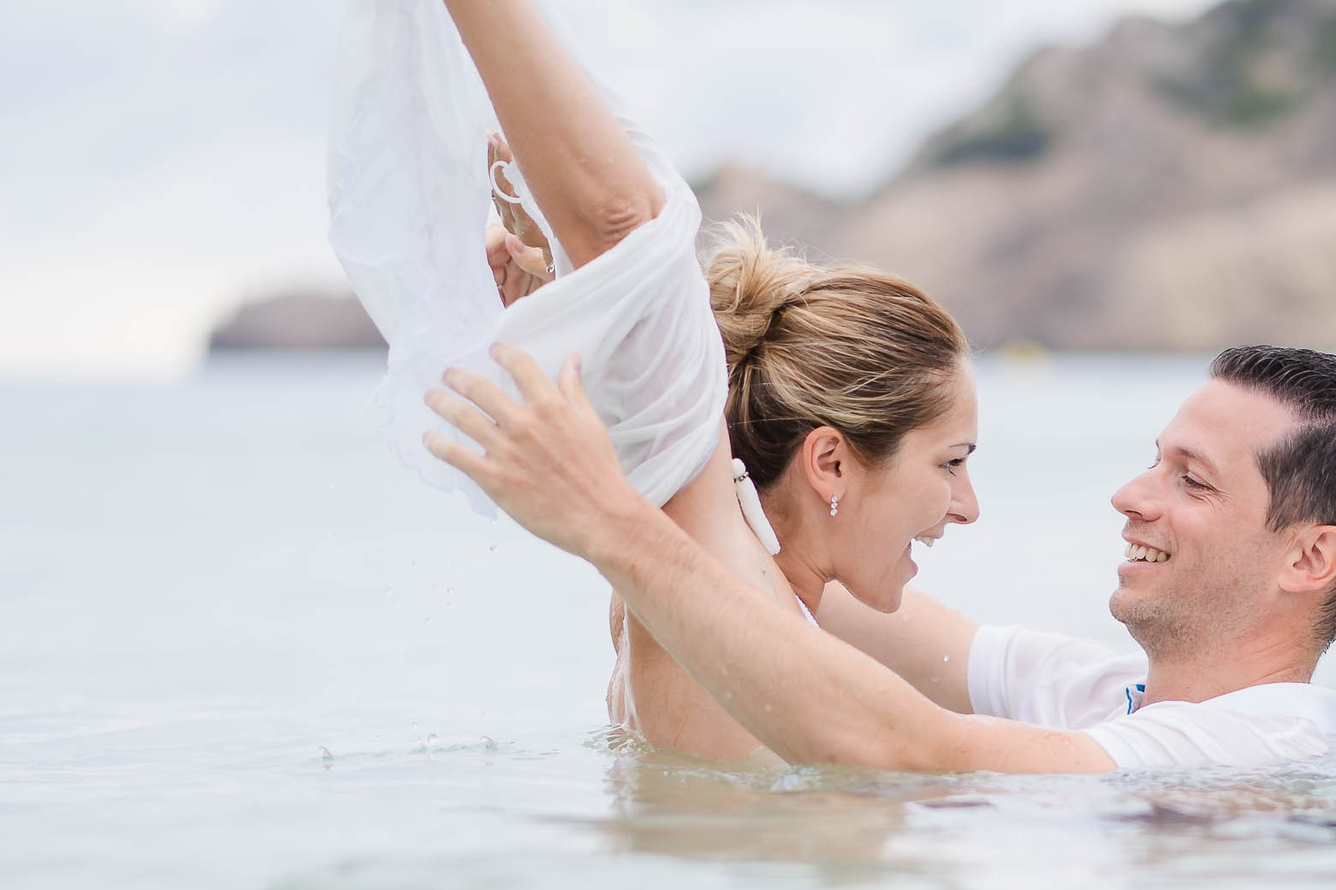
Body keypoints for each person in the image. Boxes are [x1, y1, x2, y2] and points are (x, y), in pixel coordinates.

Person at [330, 0, 980, 763]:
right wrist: (596, 273)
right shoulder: (719, 578)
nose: (967, 507)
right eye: (952, 462)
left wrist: (575, 309)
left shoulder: (716, 583)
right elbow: (623, 226)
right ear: (830, 460)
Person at [424, 342, 1336, 774]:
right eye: (1150, 462)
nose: (1130, 495)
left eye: (1191, 481)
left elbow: (898, 744)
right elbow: (775, 574)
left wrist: (603, 518)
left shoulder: (1262, 749)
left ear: (1310, 558)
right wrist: (583, 354)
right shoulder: (1094, 692)